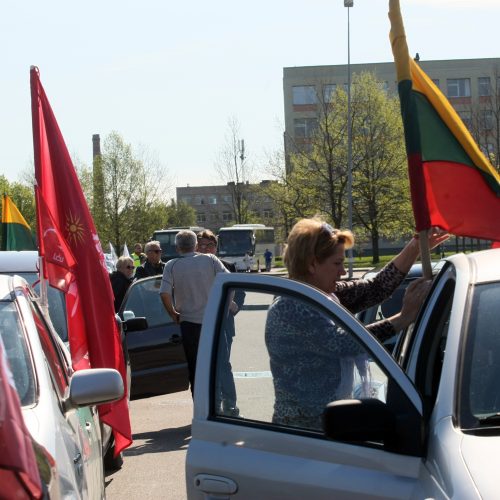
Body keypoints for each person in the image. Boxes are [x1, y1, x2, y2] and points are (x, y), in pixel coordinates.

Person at [265, 217, 449, 429]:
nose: (342, 272)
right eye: (337, 263)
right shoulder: (290, 306)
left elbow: (375, 288)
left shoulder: (322, 294)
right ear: (312, 264)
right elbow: (343, 343)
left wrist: (415, 246)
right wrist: (403, 318)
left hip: (329, 426)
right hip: (303, 434)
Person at [159, 230, 229, 396]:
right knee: (220, 364)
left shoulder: (171, 265)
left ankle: (200, 407)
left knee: (196, 367)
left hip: (189, 324)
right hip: (213, 320)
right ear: (196, 245)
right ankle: (222, 406)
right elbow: (228, 280)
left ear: (177, 247)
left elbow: (164, 293)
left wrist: (173, 313)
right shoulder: (210, 260)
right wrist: (224, 307)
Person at [197, 229, 243, 416]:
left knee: (223, 364)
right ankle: (212, 406)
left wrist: (235, 305)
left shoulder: (228, 266)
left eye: (210, 245)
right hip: (199, 323)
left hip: (224, 324)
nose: (207, 248)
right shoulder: (191, 267)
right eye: (202, 245)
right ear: (196, 247)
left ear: (216, 247)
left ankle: (229, 405)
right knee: (204, 367)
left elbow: (240, 291)